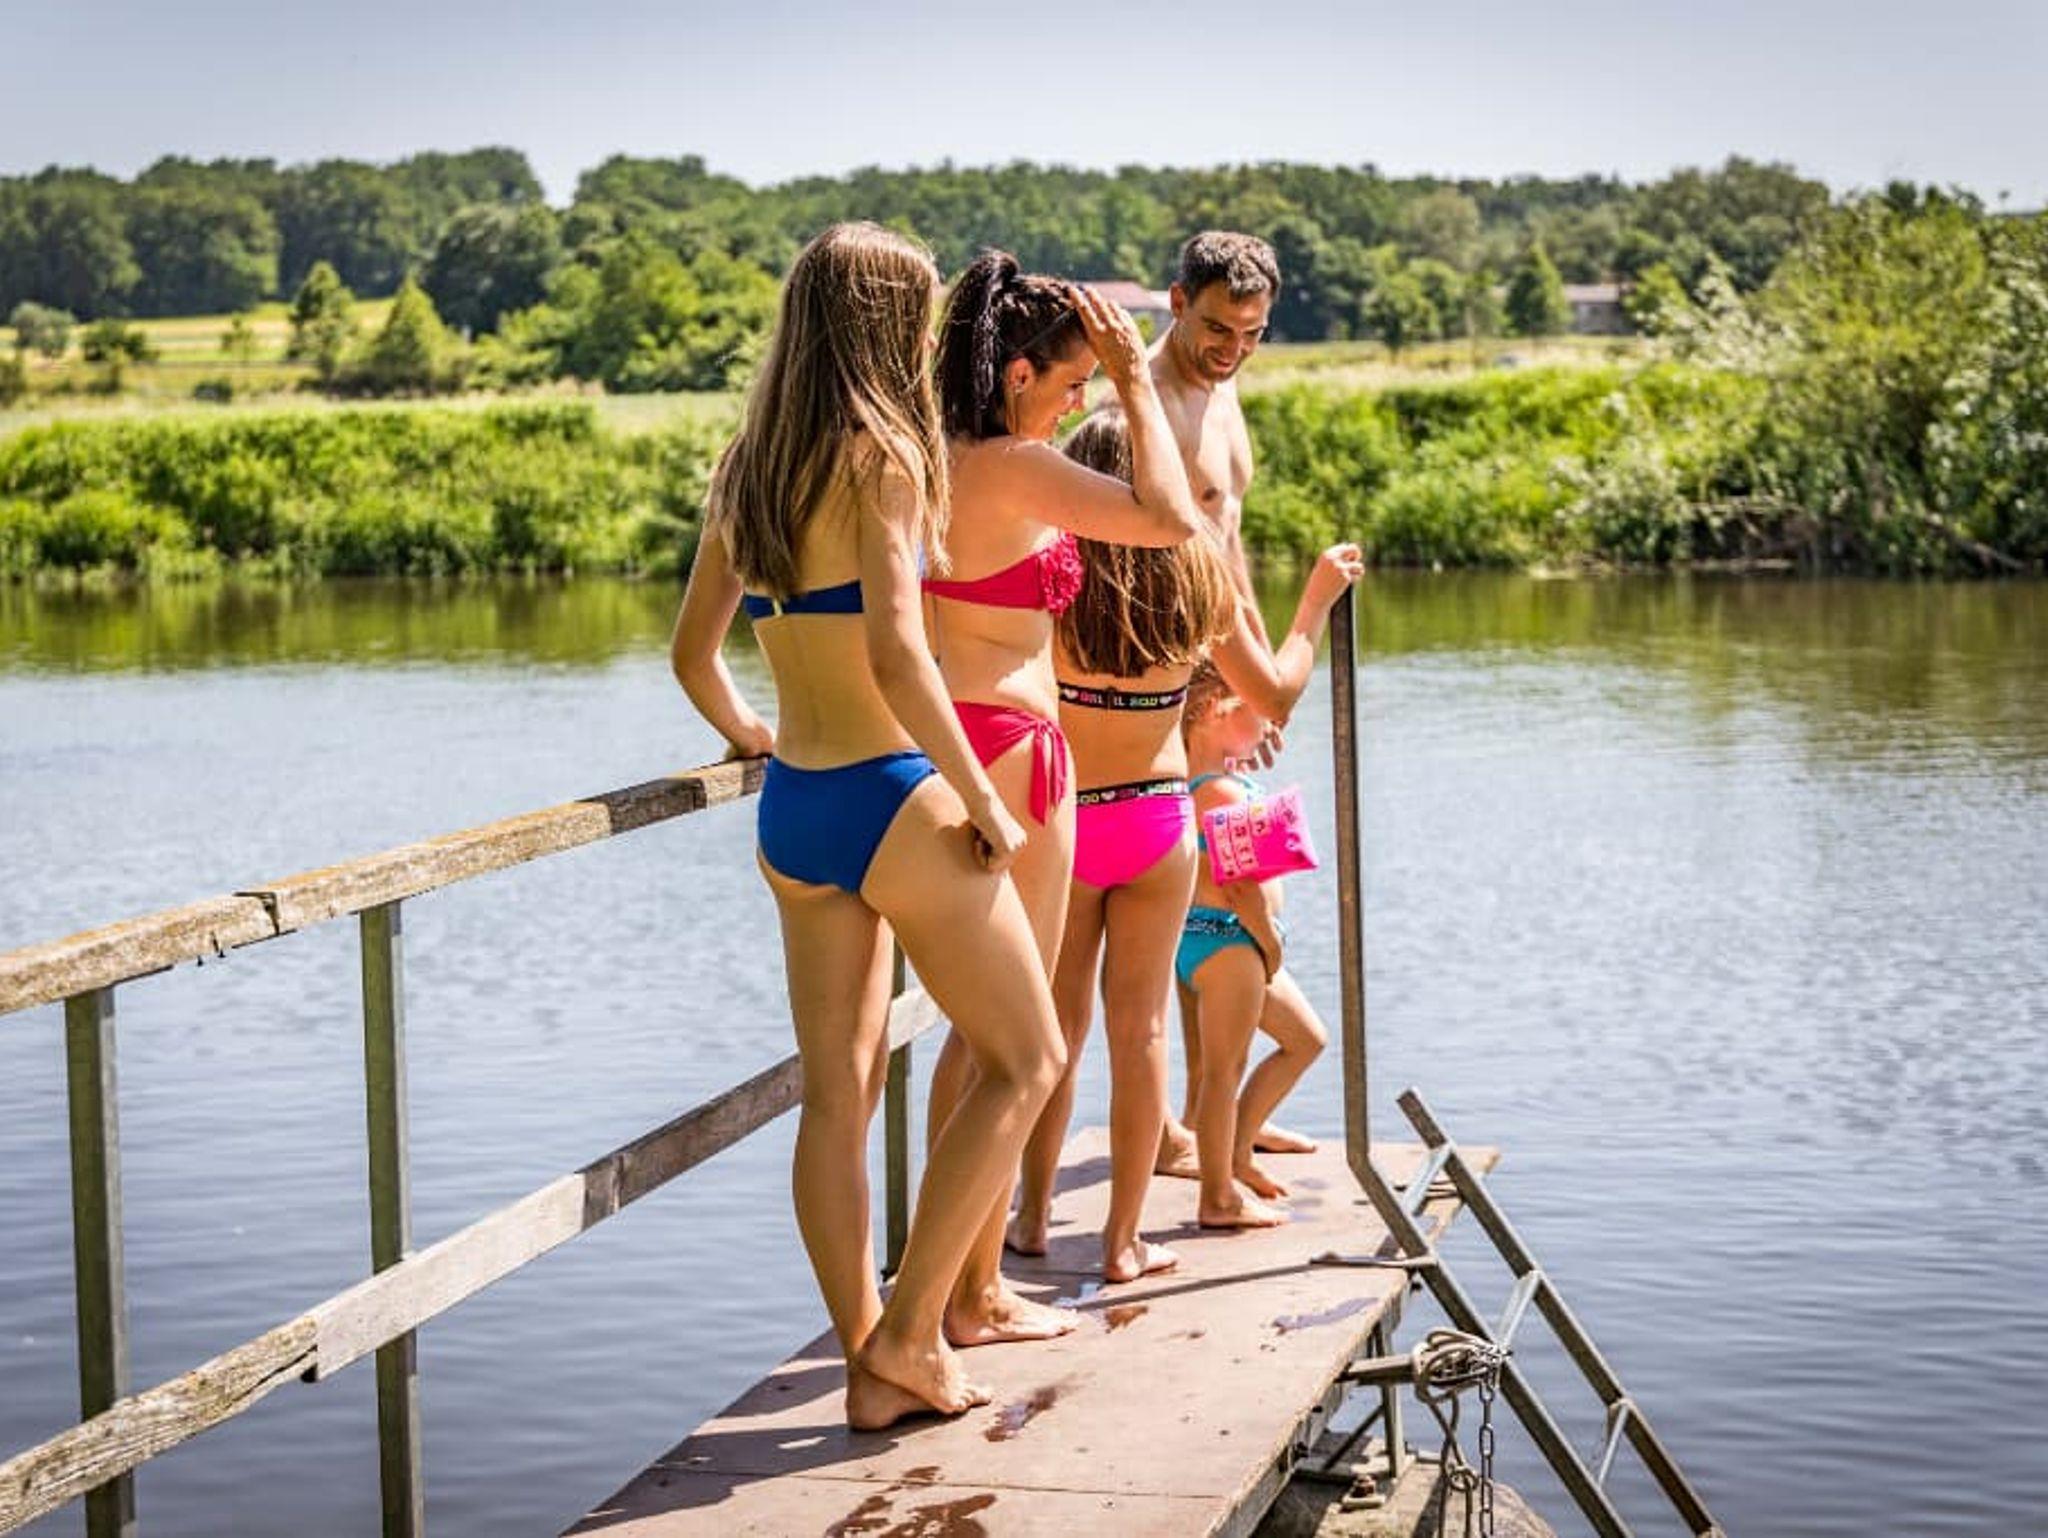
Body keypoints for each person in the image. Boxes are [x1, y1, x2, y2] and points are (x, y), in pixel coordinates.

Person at [667, 223, 1066, 1429]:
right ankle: (908, 1333)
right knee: (1027, 1058)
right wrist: (983, 798)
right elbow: (898, 651)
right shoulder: (884, 455)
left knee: (837, 1097)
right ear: (890, 324)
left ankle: (866, 1357)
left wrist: (753, 733)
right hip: (891, 793)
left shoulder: (747, 465)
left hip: (795, 806)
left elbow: (692, 655)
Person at [1003, 409, 1360, 1274]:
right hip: (1157, 819)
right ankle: (1123, 1242)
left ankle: (1033, 1218)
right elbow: (1274, 695)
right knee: (1144, 1033)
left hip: (1071, 816)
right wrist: (1313, 606)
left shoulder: (1050, 565)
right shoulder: (1198, 572)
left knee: (1058, 1031)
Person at [921, 254, 1204, 1328]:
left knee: (974, 1029)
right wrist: (1137, 381)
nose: (1081, 401)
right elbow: (1168, 517)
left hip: (944, 748)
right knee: (1021, 1033)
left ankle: (949, 1273)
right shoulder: (1014, 466)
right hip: (1013, 753)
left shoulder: (931, 459)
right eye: (1073, 381)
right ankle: (974, 1291)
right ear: (1020, 373)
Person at [1145, 230, 1320, 1171]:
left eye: (1252, 333)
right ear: (1177, 301)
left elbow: (1229, 541)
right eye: (1218, 328)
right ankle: (1183, 1132)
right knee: (1168, 913)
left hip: (1213, 665)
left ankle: (1208, 1122)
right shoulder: (1145, 398)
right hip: (1152, 680)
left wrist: (1250, 687)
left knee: (1204, 897)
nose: (1233, 348)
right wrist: (1250, 675)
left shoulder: (1225, 387)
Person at [1177, 660, 1336, 1227]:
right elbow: (1240, 885)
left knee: (1305, 1039)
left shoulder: (1218, 778)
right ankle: (1218, 1196)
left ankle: (1240, 1147)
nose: (1271, 722)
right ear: (1214, 711)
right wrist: (1269, 940)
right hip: (1230, 941)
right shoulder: (1217, 791)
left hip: (1236, 943)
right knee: (1224, 1072)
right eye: (1257, 711)